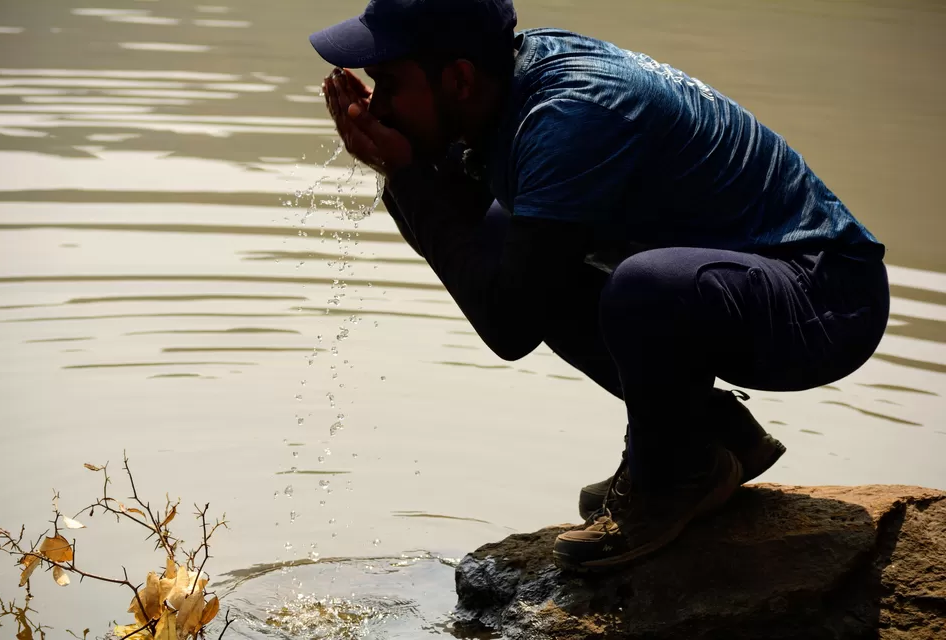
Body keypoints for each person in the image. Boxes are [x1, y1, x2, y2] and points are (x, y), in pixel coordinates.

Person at [310, 0, 890, 572]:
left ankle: (672, 478)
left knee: (641, 287)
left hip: (825, 301)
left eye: (388, 84)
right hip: (742, 288)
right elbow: (480, 245)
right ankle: (709, 437)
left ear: (459, 78)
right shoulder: (504, 86)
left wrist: (408, 176)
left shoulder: (568, 115)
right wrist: (411, 176)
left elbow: (509, 326)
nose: (377, 105)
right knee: (514, 239)